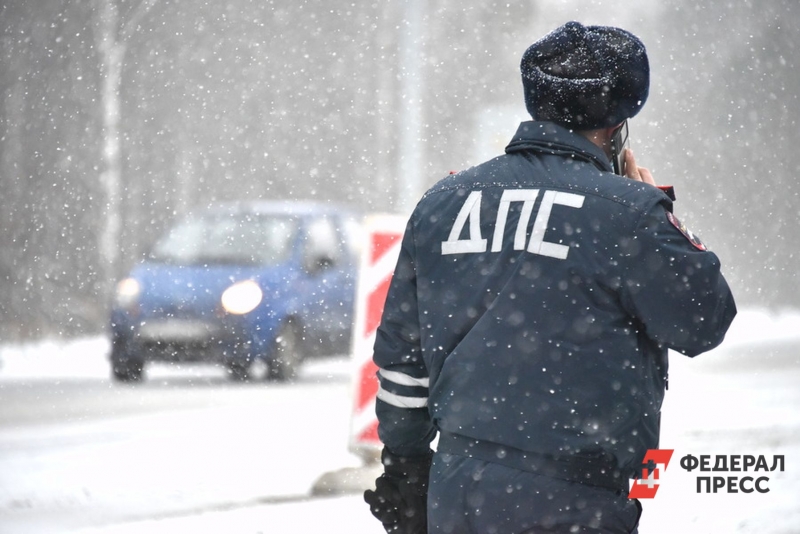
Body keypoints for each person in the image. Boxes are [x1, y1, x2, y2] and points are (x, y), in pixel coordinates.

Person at [364, 21, 737, 534]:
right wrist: (659, 212)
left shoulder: (443, 205)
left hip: (458, 486)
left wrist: (405, 467)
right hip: (576, 497)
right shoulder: (628, 213)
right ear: (617, 125)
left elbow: (404, 365)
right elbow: (703, 321)